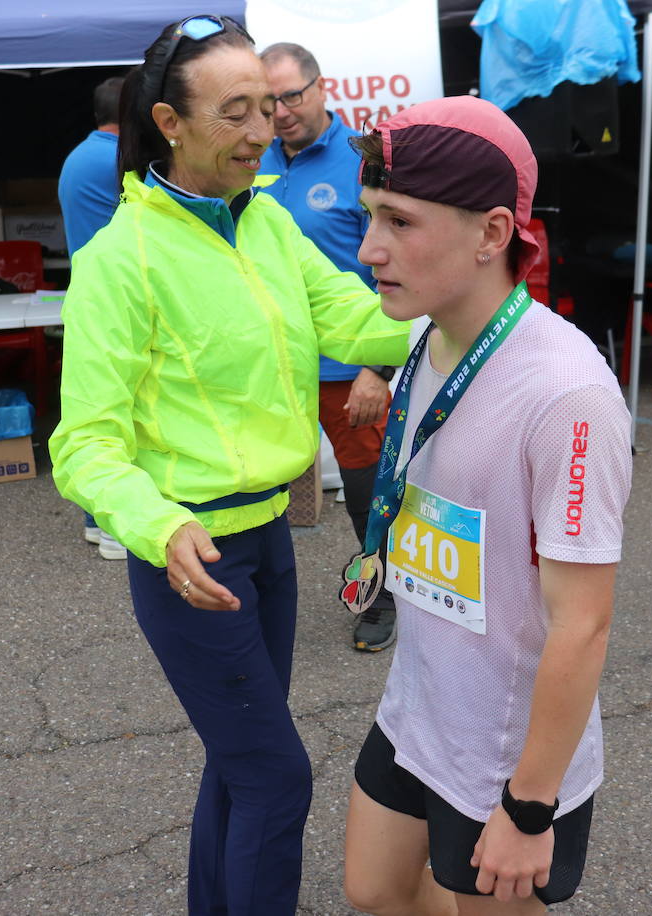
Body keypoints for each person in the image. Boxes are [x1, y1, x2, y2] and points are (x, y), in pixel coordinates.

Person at [47, 15, 410, 916]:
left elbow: (355, 323)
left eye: (274, 106)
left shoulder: (270, 226)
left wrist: (467, 297)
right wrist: (159, 523)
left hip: (272, 545)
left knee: (242, 763)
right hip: (195, 559)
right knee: (277, 777)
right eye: (237, 112)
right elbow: (84, 443)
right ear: (169, 123)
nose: (264, 131)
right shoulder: (118, 260)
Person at [340, 96, 633, 915]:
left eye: (399, 221)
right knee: (373, 891)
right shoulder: (425, 334)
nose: (370, 249)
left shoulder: (568, 394)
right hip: (419, 705)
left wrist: (529, 807)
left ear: (493, 234)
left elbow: (584, 622)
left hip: (507, 752)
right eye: (370, 217)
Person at [258, 42, 399, 653]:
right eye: (268, 102)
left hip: (349, 368)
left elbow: (395, 267)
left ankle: (383, 594)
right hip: (270, 365)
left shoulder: (360, 163)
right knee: (258, 489)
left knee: (368, 494)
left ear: (321, 89)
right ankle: (254, 599)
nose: (281, 111)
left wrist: (378, 365)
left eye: (291, 95)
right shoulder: (251, 161)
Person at [58, 74, 130, 560]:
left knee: (95, 410)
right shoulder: (116, 160)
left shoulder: (81, 154)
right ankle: (110, 526)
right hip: (112, 298)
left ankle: (92, 519)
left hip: (89, 292)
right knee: (117, 416)